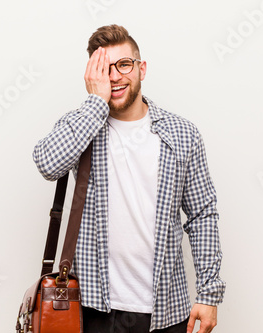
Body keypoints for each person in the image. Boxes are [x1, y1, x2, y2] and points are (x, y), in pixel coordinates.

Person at [33, 24, 226, 333]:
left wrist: (208, 292)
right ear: (92, 76)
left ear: (142, 68)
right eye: (104, 68)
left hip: (166, 309)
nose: (115, 76)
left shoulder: (182, 134)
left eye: (123, 64)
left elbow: (202, 214)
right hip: (92, 308)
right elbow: (47, 164)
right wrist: (96, 103)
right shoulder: (81, 126)